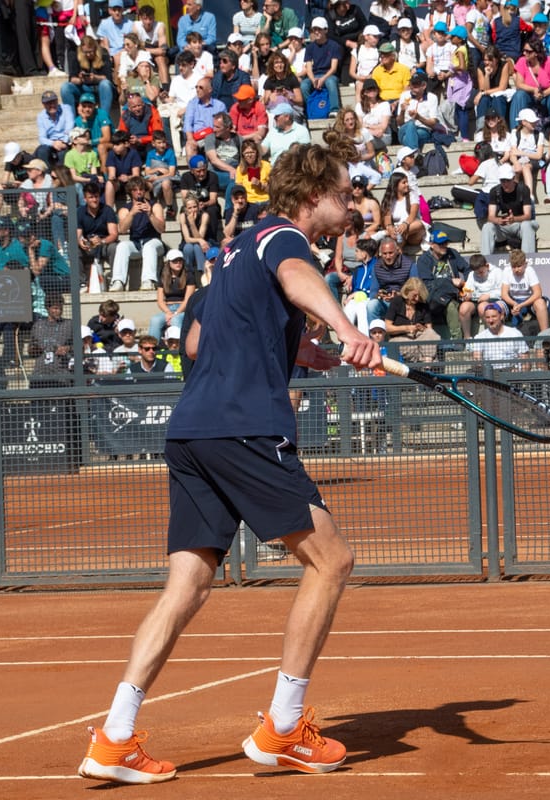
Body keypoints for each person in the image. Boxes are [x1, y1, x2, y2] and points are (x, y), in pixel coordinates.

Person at [77, 139, 379, 785]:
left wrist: (306, 353)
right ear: (310, 196)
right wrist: (348, 329)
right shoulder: (283, 239)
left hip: (192, 430)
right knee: (333, 561)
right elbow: (299, 279)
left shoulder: (234, 249)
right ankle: (283, 729)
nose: (350, 205)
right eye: (343, 194)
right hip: (244, 426)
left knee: (184, 588)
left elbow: (198, 338)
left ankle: (114, 738)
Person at [111, 176, 166, 292]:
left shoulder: (155, 206)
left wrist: (150, 214)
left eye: (141, 189)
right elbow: (121, 230)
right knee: (122, 246)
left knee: (149, 246)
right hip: (136, 244)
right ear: (130, 192)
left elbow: (161, 229)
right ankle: (118, 281)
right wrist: (132, 214)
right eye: (135, 190)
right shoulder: (125, 209)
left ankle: (148, 281)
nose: (139, 192)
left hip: (154, 242)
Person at [416, 229, 468, 338]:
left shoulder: (452, 253)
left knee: (452, 303)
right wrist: (451, 282)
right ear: (431, 244)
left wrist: (467, 288)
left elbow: (467, 269)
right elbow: (428, 285)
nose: (444, 246)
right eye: (441, 244)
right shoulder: (424, 260)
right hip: (434, 298)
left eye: (446, 243)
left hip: (453, 294)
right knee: (448, 303)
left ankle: (458, 342)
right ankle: (455, 341)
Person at [482, 163, 538, 255]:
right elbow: (490, 217)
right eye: (502, 181)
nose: (505, 184)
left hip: (521, 225)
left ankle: (528, 259)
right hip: (504, 226)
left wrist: (514, 219)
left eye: (507, 180)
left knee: (527, 225)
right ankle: (485, 260)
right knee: (487, 226)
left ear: (513, 178)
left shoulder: (523, 189)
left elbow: (528, 215)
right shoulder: (495, 191)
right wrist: (498, 220)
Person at [510, 35, 550, 129]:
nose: (524, 53)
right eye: (524, 51)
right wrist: (534, 90)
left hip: (547, 95)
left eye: (528, 51)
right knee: (519, 95)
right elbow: (519, 84)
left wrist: (543, 94)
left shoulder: (549, 62)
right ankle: (516, 129)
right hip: (529, 95)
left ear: (536, 53)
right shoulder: (522, 61)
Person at [384, 276, 441, 362]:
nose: (417, 298)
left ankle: (427, 359)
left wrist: (422, 328)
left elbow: (429, 329)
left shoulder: (423, 305)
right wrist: (407, 328)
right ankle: (427, 361)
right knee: (410, 346)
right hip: (400, 337)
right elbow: (387, 328)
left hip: (419, 337)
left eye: (419, 296)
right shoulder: (397, 302)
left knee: (431, 334)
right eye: (414, 295)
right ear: (407, 292)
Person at [148, 249, 197, 343]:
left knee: (176, 320)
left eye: (180, 260)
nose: (178, 263)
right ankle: (152, 348)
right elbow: (160, 300)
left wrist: (175, 313)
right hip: (168, 308)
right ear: (169, 263)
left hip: (183, 308)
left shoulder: (189, 276)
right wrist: (168, 312)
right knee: (155, 320)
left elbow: (188, 299)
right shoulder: (163, 277)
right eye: (175, 261)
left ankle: (180, 349)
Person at [27, 292, 74, 387]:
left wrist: (67, 348)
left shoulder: (69, 324)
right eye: (55, 308)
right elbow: (30, 351)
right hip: (39, 375)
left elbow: (81, 346)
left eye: (61, 308)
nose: (59, 311)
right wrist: (34, 349)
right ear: (47, 308)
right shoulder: (38, 326)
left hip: (61, 376)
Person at [61, 34, 114, 113]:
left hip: (100, 88)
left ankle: (104, 118)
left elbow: (108, 77)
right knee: (65, 87)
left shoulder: (103, 53)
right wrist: (80, 79)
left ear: (95, 48)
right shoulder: (76, 55)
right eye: (85, 52)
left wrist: (95, 78)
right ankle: (71, 119)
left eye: (90, 52)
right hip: (84, 87)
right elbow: (72, 79)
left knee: (105, 84)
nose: (88, 54)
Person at [501, 248, 549, 333]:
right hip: (513, 300)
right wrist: (514, 304)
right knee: (496, 307)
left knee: (540, 303)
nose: (516, 269)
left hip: (528, 300)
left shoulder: (529, 271)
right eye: (514, 267)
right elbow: (504, 294)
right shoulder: (507, 270)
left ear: (525, 264)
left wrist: (522, 305)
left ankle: (545, 336)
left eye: (519, 266)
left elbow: (538, 293)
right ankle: (498, 337)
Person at [470, 300, 528, 369]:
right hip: (490, 375)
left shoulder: (515, 334)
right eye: (487, 317)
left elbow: (526, 363)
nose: (491, 320)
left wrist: (519, 373)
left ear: (501, 316)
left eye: (494, 316)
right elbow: (477, 362)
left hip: (512, 374)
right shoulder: (480, 337)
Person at [459, 253, 503, 339]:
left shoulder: (497, 272)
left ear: (487, 266)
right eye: (477, 273)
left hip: (493, 300)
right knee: (464, 308)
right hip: (476, 300)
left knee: (483, 307)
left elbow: (502, 291)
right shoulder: (472, 274)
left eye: (481, 272)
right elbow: (467, 289)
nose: (479, 275)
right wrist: (466, 294)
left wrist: (489, 295)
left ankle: (491, 336)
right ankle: (467, 339)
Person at [183, 77, 227, 160]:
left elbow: (223, 126)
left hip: (214, 137)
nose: (197, 89)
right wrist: (190, 139)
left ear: (209, 90)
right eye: (196, 87)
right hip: (196, 138)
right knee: (189, 147)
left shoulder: (219, 106)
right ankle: (193, 172)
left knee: (210, 144)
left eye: (201, 87)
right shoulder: (192, 104)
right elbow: (188, 123)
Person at [396, 71, 439, 152]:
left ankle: (413, 154)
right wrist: (402, 111)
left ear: (424, 86)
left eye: (415, 85)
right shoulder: (405, 95)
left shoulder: (432, 98)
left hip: (422, 130)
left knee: (407, 138)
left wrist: (419, 118)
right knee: (410, 125)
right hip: (404, 129)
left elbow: (433, 123)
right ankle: (415, 155)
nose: (412, 87)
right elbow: (399, 123)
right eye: (411, 84)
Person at [380, 170, 424, 247]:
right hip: (398, 231)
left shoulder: (412, 194)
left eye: (407, 182)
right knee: (398, 237)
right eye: (404, 182)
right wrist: (390, 227)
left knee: (419, 224)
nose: (407, 184)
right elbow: (387, 218)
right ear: (396, 185)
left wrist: (404, 225)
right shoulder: (390, 199)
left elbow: (412, 215)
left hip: (412, 230)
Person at [118, 91, 164, 160]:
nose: (137, 109)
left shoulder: (152, 112)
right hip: (133, 144)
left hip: (150, 143)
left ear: (143, 104)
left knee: (154, 148)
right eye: (134, 107)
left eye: (139, 105)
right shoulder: (125, 116)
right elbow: (122, 134)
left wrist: (140, 140)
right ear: (129, 108)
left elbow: (158, 135)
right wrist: (128, 141)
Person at [35, 90, 74, 168]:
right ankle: (48, 176)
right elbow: (42, 138)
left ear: (57, 101)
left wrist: (64, 141)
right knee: (41, 151)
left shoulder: (66, 109)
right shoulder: (41, 116)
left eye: (54, 102)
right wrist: (53, 143)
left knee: (63, 154)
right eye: (48, 103)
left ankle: (63, 177)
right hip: (52, 143)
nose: (52, 105)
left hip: (66, 141)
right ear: (43, 105)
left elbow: (70, 127)